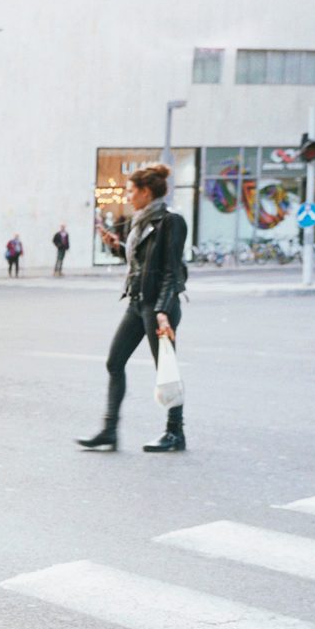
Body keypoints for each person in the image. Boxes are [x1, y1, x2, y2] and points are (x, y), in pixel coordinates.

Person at [78, 162, 188, 453]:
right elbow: (141, 263)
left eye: (130, 191)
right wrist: (115, 246)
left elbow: (172, 271)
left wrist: (163, 311)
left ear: (146, 191)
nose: (127, 196)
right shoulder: (140, 222)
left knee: (165, 369)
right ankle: (109, 431)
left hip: (158, 307)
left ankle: (175, 432)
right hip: (137, 303)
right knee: (114, 362)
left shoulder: (171, 222)